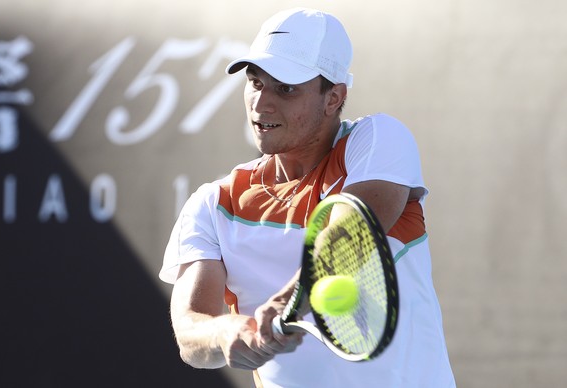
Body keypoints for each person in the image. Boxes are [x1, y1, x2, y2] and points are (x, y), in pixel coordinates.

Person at [160, 7, 455, 387]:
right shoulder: (212, 205)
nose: (262, 103)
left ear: (334, 98)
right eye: (255, 82)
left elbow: (350, 235)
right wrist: (225, 333)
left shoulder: (378, 140)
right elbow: (190, 332)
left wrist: (286, 302)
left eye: (286, 88)